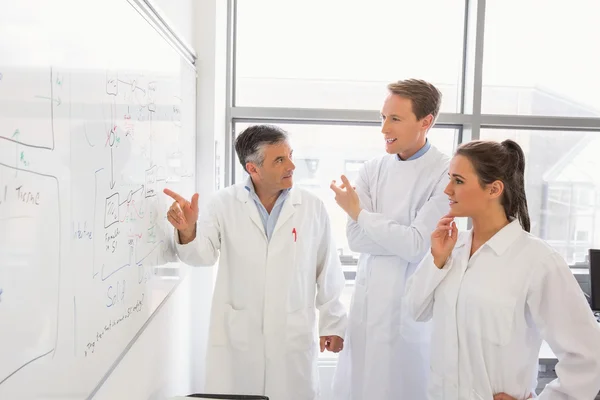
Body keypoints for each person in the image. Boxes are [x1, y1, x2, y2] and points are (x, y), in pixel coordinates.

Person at [405, 139, 600, 399]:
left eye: (459, 181)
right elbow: (414, 311)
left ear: (494, 189)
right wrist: (436, 261)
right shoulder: (452, 247)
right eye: (449, 179)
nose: (447, 190)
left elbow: (589, 355)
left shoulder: (538, 261)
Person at [164, 124, 347, 400]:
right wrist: (188, 231)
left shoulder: (311, 207)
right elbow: (202, 256)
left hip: (291, 336)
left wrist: (332, 323)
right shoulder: (224, 203)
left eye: (290, 155)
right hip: (239, 335)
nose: (292, 166)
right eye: (280, 160)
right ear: (253, 169)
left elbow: (327, 269)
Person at [330, 79, 450, 399]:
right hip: (367, 308)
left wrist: (362, 214)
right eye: (382, 117)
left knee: (406, 386)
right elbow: (356, 239)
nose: (384, 128)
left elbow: (415, 247)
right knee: (362, 385)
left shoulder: (445, 173)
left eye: (395, 118)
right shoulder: (372, 168)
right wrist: (396, 234)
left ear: (426, 121)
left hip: (412, 309)